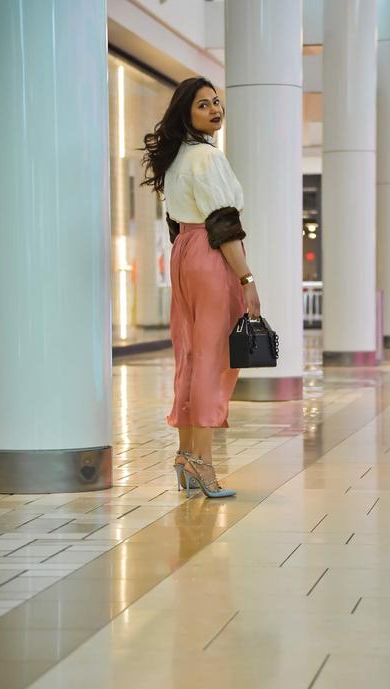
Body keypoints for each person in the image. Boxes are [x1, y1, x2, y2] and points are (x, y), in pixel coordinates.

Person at [141, 77, 260, 498]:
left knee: (190, 354)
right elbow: (223, 223)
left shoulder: (177, 159)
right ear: (185, 113)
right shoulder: (208, 158)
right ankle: (204, 464)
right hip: (210, 253)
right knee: (214, 357)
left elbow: (176, 220)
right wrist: (246, 280)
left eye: (216, 102)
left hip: (183, 252)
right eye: (203, 105)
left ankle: (186, 456)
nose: (215, 109)